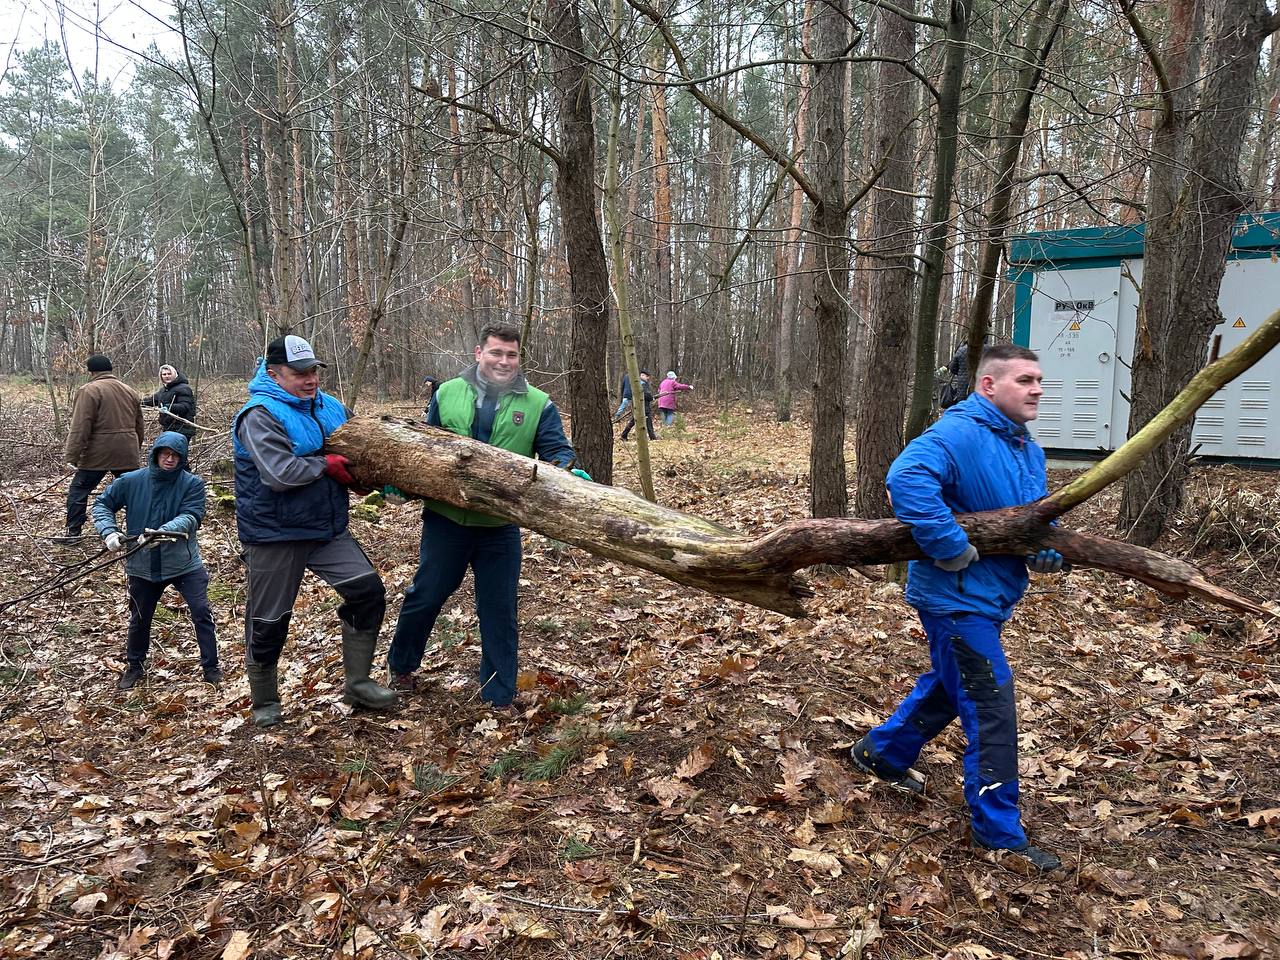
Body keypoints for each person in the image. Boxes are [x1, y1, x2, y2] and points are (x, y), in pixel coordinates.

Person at [849, 344, 1068, 873]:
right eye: (1024, 380)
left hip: (988, 596)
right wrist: (949, 546)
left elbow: (1029, 517)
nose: (1037, 388)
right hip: (954, 599)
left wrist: (1045, 547)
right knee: (991, 707)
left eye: (1039, 379)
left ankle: (881, 753)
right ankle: (998, 832)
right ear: (989, 386)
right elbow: (907, 479)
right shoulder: (959, 432)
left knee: (955, 685)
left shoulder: (1025, 448)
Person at [386, 322, 589, 706]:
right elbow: (424, 448)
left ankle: (498, 695)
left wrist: (565, 471)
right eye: (496, 352)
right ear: (479, 353)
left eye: (511, 354)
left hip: (499, 526)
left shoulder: (537, 403)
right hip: (446, 521)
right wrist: (404, 480)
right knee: (426, 596)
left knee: (499, 609)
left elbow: (556, 451)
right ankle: (402, 668)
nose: (504, 361)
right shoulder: (447, 393)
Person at [232, 334, 395, 728]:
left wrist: (374, 475)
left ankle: (357, 683)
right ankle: (265, 702)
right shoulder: (259, 414)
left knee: (368, 593)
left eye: (314, 371)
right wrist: (326, 466)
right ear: (273, 373)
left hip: (326, 529)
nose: (310, 379)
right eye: (299, 372)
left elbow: (362, 445)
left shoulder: (331, 406)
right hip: (275, 534)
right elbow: (279, 473)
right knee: (270, 620)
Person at [91, 431, 221, 689]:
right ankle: (135, 666)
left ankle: (211, 667)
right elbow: (102, 504)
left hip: (184, 562)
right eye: (165, 454)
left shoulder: (192, 484)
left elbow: (192, 515)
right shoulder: (131, 481)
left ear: (183, 459)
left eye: (175, 456)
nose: (170, 459)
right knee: (139, 617)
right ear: (156, 454)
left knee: (201, 611)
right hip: (142, 565)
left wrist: (163, 531)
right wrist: (109, 532)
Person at [59, 355, 144, 543]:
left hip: (98, 452)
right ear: (110, 369)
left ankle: (74, 533)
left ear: (91, 372)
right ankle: (140, 531)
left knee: (79, 491)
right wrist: (133, 448)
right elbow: (140, 426)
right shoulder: (130, 390)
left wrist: (71, 456)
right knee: (134, 492)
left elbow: (81, 426)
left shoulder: (89, 390)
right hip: (127, 450)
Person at [140, 364, 198, 439]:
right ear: (161, 376)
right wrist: (136, 402)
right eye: (164, 374)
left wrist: (168, 407)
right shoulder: (163, 391)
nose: (167, 376)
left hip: (182, 428)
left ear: (174, 374)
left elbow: (185, 407)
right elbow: (151, 401)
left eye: (169, 374)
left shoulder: (184, 388)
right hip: (169, 428)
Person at [620, 370, 657, 441]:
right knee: (647, 422)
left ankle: (624, 435)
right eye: (643, 375)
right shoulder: (643, 384)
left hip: (639, 406)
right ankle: (652, 437)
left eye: (645, 376)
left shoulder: (637, 383)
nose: (645, 377)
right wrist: (651, 398)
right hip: (643, 406)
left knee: (634, 421)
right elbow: (646, 394)